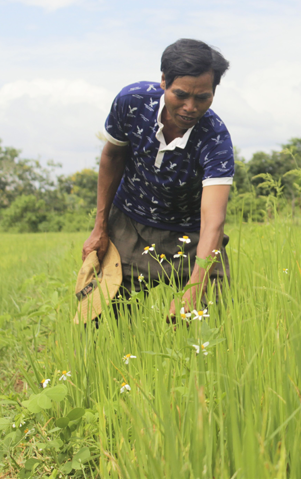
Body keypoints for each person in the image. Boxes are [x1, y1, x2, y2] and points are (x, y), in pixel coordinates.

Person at [82, 38, 234, 318]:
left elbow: (214, 221)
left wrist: (195, 287)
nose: (190, 107)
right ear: (164, 81)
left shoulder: (215, 139)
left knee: (211, 321)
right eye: (181, 95)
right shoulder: (132, 103)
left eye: (202, 97)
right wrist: (100, 227)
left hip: (189, 233)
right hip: (129, 222)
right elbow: (113, 157)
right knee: (101, 321)